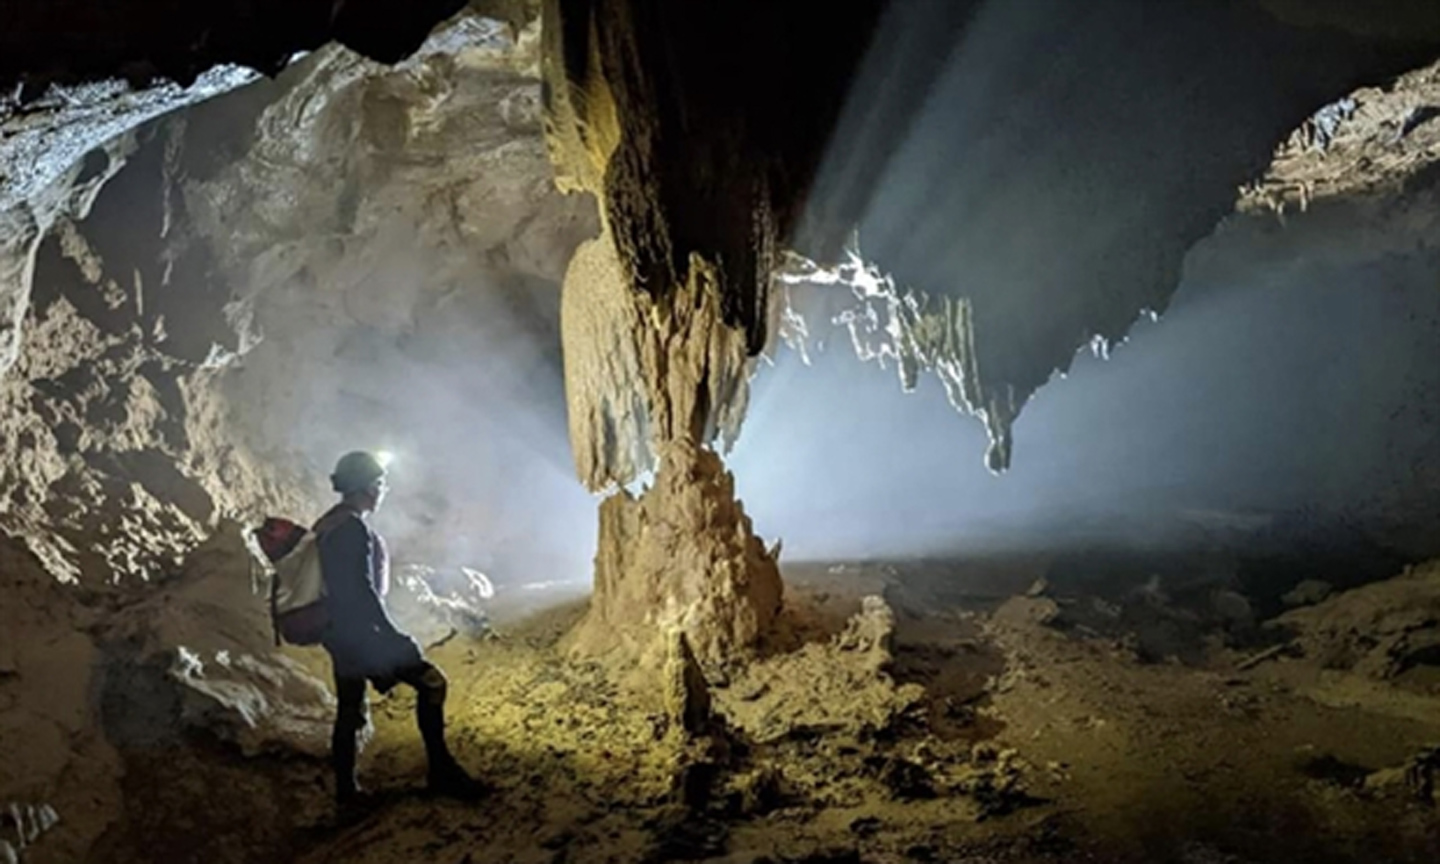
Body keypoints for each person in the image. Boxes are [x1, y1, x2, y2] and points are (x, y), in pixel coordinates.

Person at [315, 450, 485, 808]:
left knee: (350, 710)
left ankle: (347, 796)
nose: (382, 491)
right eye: (379, 484)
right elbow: (361, 592)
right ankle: (441, 772)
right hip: (361, 637)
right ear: (366, 487)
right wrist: (392, 637)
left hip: (339, 635)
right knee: (432, 682)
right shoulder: (352, 527)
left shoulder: (327, 523)